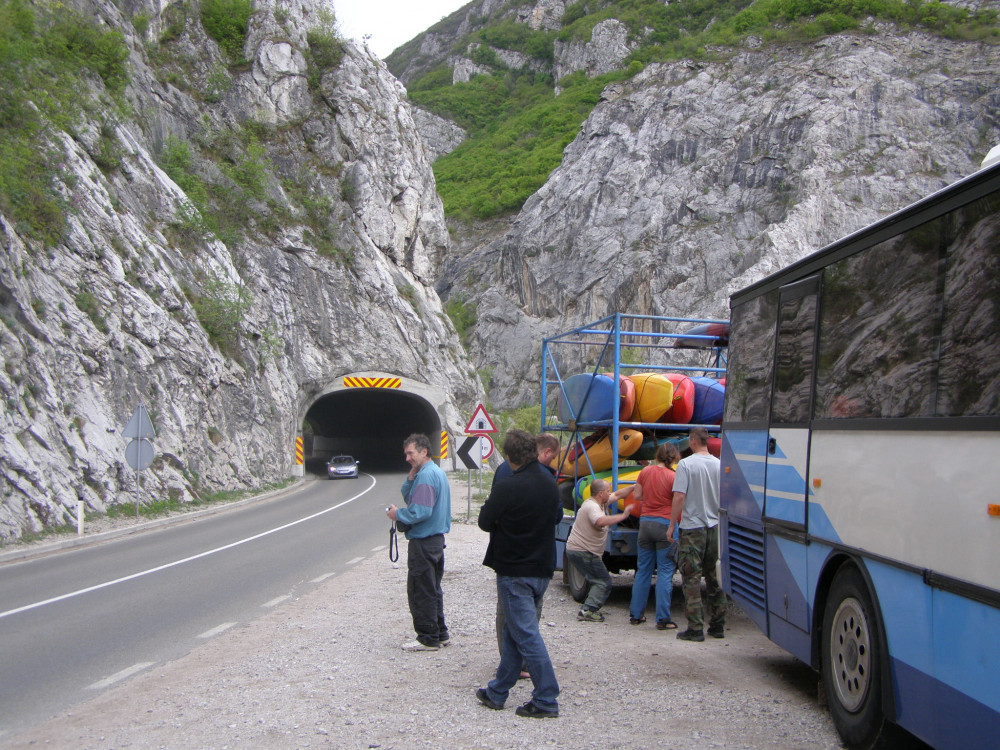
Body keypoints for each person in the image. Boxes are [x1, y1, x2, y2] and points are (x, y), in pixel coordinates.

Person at [476, 429, 564, 718]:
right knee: (515, 631)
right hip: (542, 568)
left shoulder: (507, 486)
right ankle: (497, 691)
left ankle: (546, 698)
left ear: (509, 457)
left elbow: (484, 521)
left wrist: (502, 518)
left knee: (526, 634)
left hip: (515, 569)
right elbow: (556, 517)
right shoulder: (550, 482)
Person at [492, 433, 561, 676]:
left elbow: (487, 517)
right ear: (542, 452)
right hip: (539, 557)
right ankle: (534, 677)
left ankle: (508, 669)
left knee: (508, 612)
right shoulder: (547, 479)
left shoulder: (502, 472)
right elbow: (557, 516)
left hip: (508, 557)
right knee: (530, 617)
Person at [386, 433, 452, 652]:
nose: (407, 458)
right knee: (433, 588)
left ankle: (427, 637)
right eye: (406, 454)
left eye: (411, 453)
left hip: (423, 541)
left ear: (424, 451)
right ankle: (440, 633)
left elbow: (420, 511)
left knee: (420, 590)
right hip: (436, 541)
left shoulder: (426, 477)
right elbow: (411, 497)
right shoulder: (434, 472)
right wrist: (411, 477)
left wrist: (397, 514)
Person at [668, 427, 725, 642]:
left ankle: (695, 627)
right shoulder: (719, 464)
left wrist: (671, 525)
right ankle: (718, 625)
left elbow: (679, 496)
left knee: (691, 578)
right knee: (714, 577)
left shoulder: (686, 464)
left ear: (692, 441)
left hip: (693, 527)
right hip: (715, 526)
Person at [564, 478, 635, 622]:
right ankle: (588, 610)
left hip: (580, 550)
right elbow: (600, 521)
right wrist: (622, 516)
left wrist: (635, 486)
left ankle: (588, 608)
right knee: (603, 581)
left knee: (597, 578)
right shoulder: (592, 507)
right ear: (600, 493)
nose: (610, 493)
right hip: (583, 551)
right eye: (608, 491)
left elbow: (618, 494)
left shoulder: (600, 503)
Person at [628, 442, 682, 630]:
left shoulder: (645, 471)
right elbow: (678, 500)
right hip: (665, 524)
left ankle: (636, 615)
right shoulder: (673, 476)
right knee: (665, 572)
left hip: (645, 524)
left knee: (643, 570)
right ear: (674, 458)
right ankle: (663, 619)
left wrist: (651, 497)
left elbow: (637, 495)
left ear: (657, 455)